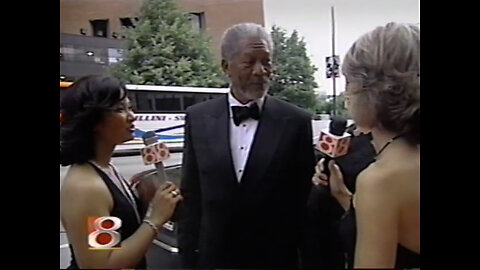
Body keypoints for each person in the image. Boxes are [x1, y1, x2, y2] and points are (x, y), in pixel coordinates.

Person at [178, 22, 315, 269]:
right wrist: (188, 258)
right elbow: (192, 196)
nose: (260, 71)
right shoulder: (198, 118)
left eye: (267, 62)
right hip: (214, 260)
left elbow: (303, 203)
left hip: (275, 259)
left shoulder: (296, 122)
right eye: (249, 62)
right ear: (225, 67)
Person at [313, 22, 420, 269]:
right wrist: (343, 196)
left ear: (370, 92)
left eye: (349, 82)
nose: (346, 94)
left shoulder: (380, 181)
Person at [60, 75, 183, 269]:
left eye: (129, 107)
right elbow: (103, 263)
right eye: (119, 109)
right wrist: (155, 220)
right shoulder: (87, 187)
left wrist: (151, 203)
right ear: (94, 121)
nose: (132, 116)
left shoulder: (106, 169)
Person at [305, 122, 376, 269]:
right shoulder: (349, 132)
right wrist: (320, 172)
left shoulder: (398, 144)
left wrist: (342, 196)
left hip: (363, 242)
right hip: (324, 234)